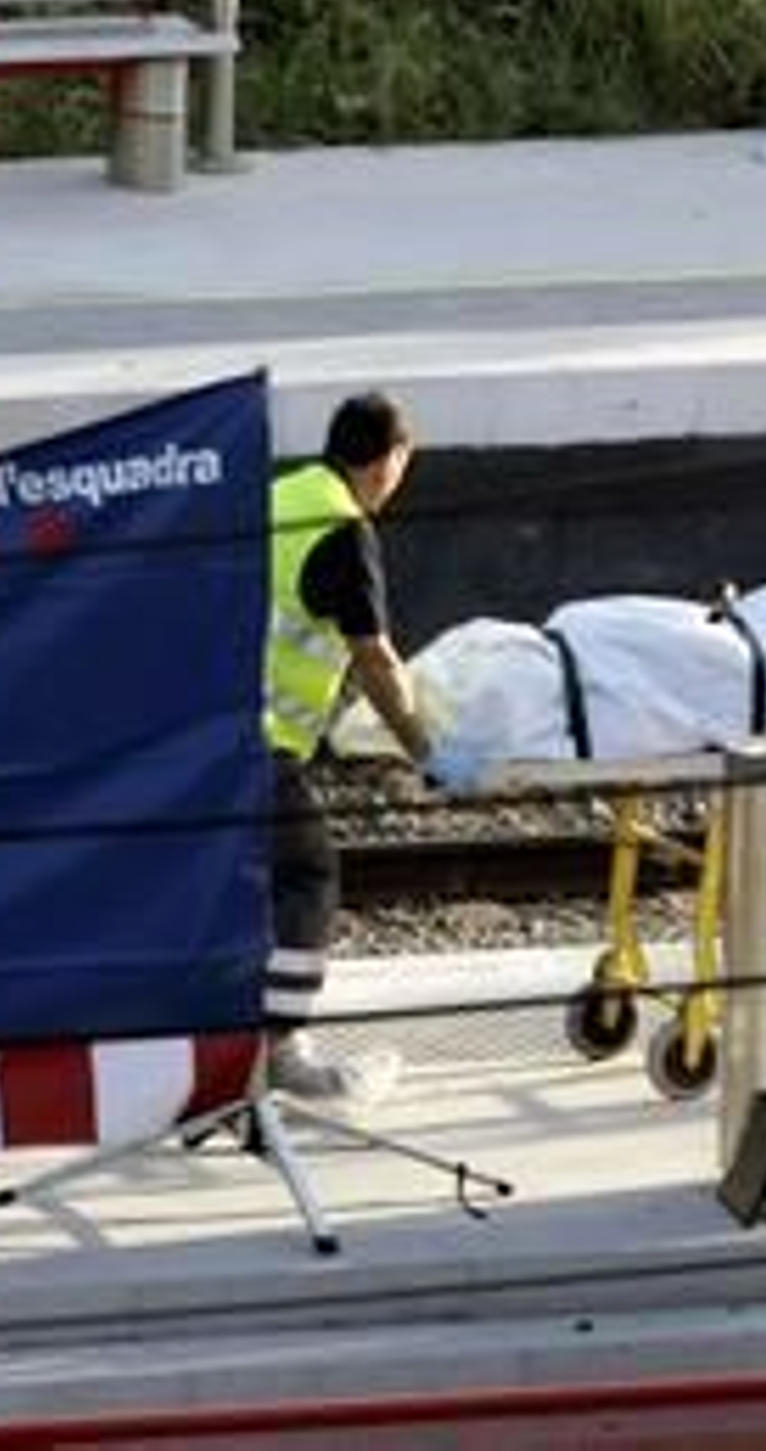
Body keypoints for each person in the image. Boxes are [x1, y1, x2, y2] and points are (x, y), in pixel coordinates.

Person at [262, 391, 484, 1103]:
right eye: (402, 464)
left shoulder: (284, 494)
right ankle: (280, 1048)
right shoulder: (345, 530)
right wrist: (426, 750)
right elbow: (376, 660)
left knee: (247, 886)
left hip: (201, 722)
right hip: (259, 743)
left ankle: (228, 1044)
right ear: (389, 459)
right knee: (308, 873)